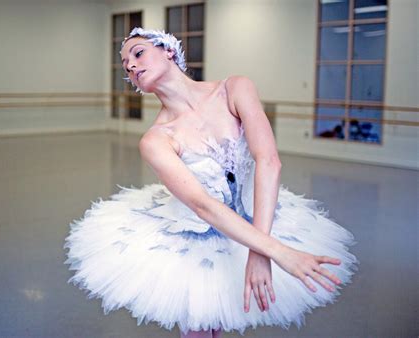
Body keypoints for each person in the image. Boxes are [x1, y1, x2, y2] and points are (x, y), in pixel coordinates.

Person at [64, 28, 358, 338]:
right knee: (200, 329)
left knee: (217, 322)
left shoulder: (235, 89)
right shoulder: (155, 139)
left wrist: (260, 252)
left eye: (138, 54)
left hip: (254, 219)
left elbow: (269, 161)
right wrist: (279, 252)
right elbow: (203, 205)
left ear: (168, 50)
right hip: (195, 235)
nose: (131, 66)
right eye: (125, 66)